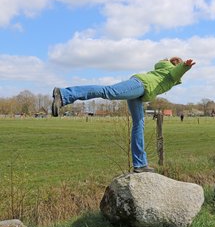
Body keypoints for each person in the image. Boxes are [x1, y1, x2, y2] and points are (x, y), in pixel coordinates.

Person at [51, 57, 196, 172]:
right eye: (179, 64)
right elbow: (176, 72)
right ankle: (64, 94)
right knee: (109, 91)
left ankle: (140, 164)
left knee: (139, 123)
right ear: (176, 65)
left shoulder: (163, 71)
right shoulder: (171, 72)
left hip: (140, 92)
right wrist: (185, 67)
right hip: (140, 86)